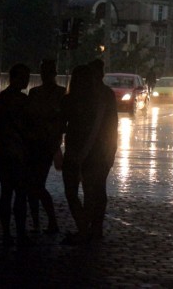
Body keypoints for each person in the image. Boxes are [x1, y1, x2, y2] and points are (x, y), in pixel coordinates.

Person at [60, 60, 118, 245]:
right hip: (97, 152)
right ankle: (92, 228)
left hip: (75, 151)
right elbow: (112, 125)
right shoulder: (102, 98)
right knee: (95, 192)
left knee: (74, 192)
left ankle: (85, 228)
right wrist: (111, 150)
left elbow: (60, 125)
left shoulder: (69, 100)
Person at [0, 63, 33, 247]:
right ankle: (20, 231)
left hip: (5, 152)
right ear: (15, 78)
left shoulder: (3, 98)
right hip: (19, 152)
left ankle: (7, 231)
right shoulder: (23, 100)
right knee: (20, 194)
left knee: (6, 193)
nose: (26, 81)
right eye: (24, 77)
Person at [26, 59, 65, 234]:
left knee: (36, 184)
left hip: (45, 144)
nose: (44, 75)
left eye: (47, 72)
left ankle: (45, 222)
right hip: (37, 143)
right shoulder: (57, 93)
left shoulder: (42, 94)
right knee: (34, 184)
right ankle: (44, 222)